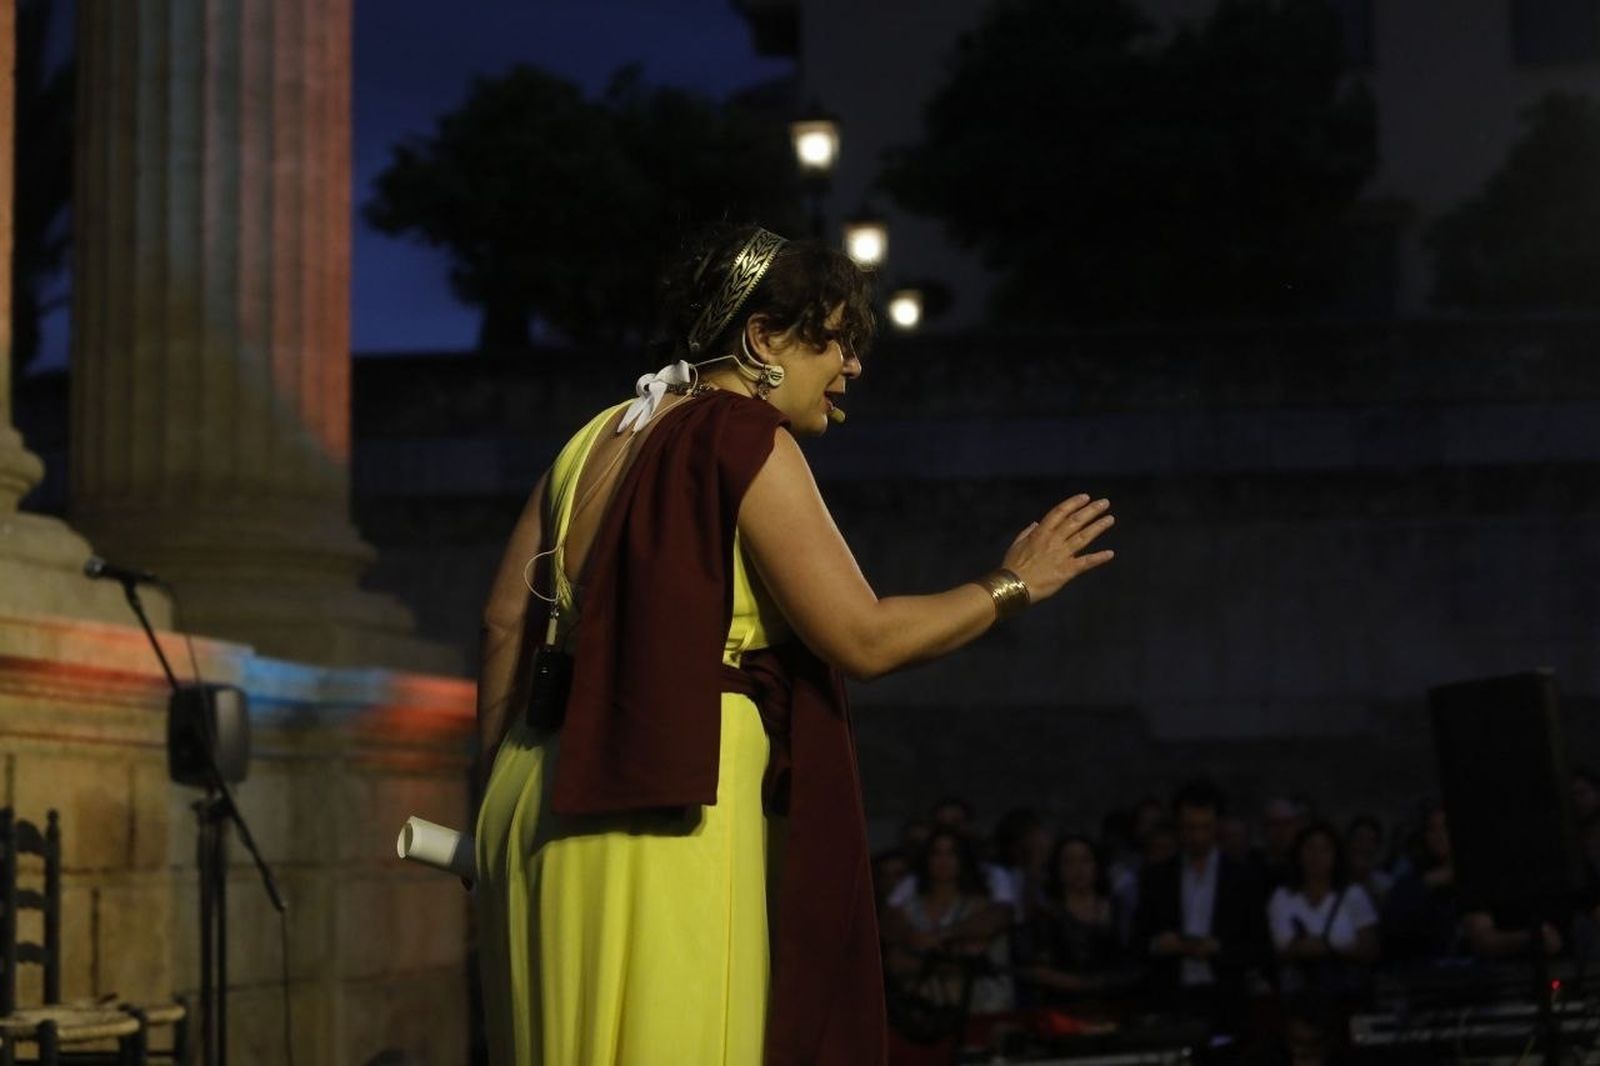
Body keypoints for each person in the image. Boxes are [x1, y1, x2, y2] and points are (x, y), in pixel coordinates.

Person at [471, 222, 1118, 1066]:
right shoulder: (739, 434)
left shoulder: (596, 436)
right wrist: (1013, 584)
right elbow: (864, 637)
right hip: (660, 794)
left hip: (531, 791)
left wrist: (489, 805)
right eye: (836, 340)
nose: (852, 366)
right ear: (763, 337)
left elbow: (503, 623)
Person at [1132, 779, 1267, 1038]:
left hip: (1226, 998)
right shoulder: (1157, 877)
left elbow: (1260, 946)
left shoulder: (1242, 878)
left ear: (1217, 827)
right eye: (1189, 828)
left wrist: (1219, 948)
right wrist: (1160, 945)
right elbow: (1137, 941)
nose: (1197, 836)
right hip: (1171, 997)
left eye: (1205, 827)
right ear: (1178, 826)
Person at [882, 829, 1015, 1016]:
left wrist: (936, 945)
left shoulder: (981, 909)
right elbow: (895, 962)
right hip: (918, 1015)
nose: (943, 861)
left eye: (951, 853)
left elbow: (972, 958)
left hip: (977, 1010)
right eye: (936, 853)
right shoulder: (909, 909)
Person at [1015, 834, 1134, 1006]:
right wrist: (1075, 984)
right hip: (1063, 1010)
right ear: (1057, 869)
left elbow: (1132, 962)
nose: (1079, 868)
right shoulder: (1047, 915)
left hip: (1118, 1005)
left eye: (1086, 860)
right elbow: (1038, 970)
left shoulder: (1119, 910)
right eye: (1069, 862)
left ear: (1097, 866)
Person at [1266, 822, 1379, 1003]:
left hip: (1347, 995)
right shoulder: (1282, 897)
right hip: (1297, 998)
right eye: (1310, 848)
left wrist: (1327, 947)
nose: (1316, 857)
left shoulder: (1353, 894)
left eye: (1324, 850)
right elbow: (1279, 950)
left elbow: (1369, 948)